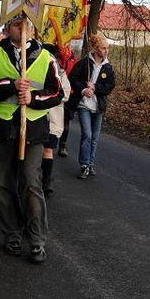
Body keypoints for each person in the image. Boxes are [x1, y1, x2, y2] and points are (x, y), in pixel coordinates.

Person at [0, 15, 64, 263]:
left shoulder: (45, 57)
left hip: (33, 130)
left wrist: (33, 99)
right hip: (2, 128)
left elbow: (57, 92)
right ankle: (12, 233)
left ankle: (36, 239)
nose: (23, 28)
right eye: (17, 24)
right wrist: (10, 85)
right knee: (3, 183)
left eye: (27, 24)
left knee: (31, 183)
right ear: (6, 29)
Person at [68, 32, 116, 179]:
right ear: (95, 48)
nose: (106, 51)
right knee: (87, 135)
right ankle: (83, 165)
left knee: (95, 137)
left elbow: (109, 87)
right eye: (103, 48)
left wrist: (95, 87)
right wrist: (83, 89)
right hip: (84, 105)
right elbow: (72, 78)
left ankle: (90, 164)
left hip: (99, 107)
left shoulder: (108, 68)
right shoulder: (84, 63)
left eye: (107, 48)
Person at [40, 44, 71, 196]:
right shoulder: (35, 70)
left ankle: (46, 182)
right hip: (36, 118)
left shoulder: (61, 74)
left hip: (52, 118)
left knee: (48, 149)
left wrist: (47, 95)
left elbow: (65, 94)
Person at [57, 44, 78, 157]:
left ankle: (63, 145)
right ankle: (47, 146)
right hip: (55, 93)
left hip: (69, 94)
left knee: (66, 121)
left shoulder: (73, 59)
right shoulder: (53, 55)